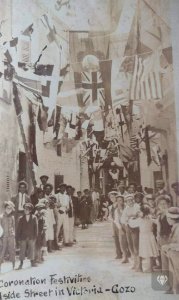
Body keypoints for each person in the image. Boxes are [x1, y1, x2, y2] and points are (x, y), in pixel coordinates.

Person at [129, 204, 159, 272]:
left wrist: (131, 218)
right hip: (150, 235)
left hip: (143, 236)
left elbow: (131, 224)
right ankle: (151, 268)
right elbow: (156, 221)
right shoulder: (150, 218)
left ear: (141, 211)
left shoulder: (140, 219)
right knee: (151, 251)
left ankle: (140, 268)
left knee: (142, 251)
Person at [161, 207, 179, 293]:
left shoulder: (178, 228)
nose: (167, 219)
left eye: (168, 218)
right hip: (174, 253)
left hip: (176, 254)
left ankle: (174, 288)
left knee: (176, 270)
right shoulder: (174, 227)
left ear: (171, 219)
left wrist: (169, 246)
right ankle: (172, 287)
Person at [121, 195, 141, 270]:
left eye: (131, 200)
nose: (130, 202)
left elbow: (139, 215)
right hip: (128, 227)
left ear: (133, 200)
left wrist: (133, 217)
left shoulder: (137, 206)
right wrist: (127, 219)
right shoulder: (126, 208)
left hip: (136, 228)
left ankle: (139, 264)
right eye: (128, 201)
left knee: (136, 245)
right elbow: (123, 219)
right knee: (130, 245)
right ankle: (134, 262)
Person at [16, 203, 38, 269]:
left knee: (31, 249)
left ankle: (32, 262)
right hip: (23, 237)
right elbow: (18, 229)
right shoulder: (21, 218)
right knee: (22, 250)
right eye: (25, 209)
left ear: (30, 210)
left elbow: (36, 228)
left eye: (27, 209)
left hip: (31, 237)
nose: (25, 210)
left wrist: (35, 237)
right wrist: (18, 238)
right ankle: (21, 263)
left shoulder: (34, 217)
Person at [0, 201, 16, 272]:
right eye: (7, 208)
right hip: (4, 236)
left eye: (10, 208)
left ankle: (13, 265)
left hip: (11, 236)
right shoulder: (1, 217)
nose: (9, 209)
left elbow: (14, 227)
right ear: (5, 208)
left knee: (12, 250)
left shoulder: (12, 217)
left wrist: (13, 234)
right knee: (2, 251)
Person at [114, 195, 129, 263]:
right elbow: (116, 221)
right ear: (116, 202)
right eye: (118, 201)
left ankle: (132, 257)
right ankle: (125, 257)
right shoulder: (116, 210)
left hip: (129, 226)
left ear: (123, 201)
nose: (120, 202)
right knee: (122, 243)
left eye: (121, 200)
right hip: (121, 227)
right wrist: (120, 229)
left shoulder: (127, 207)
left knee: (130, 242)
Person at [108, 191, 122, 259]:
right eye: (111, 197)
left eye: (113, 197)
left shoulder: (118, 205)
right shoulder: (110, 206)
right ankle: (118, 253)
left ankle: (124, 253)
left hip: (119, 223)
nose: (112, 198)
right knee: (115, 238)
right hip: (113, 223)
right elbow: (110, 215)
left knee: (121, 238)